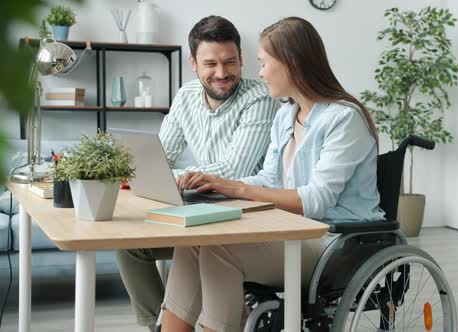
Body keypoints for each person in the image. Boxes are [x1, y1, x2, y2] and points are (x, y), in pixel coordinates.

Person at [161, 17, 386, 332]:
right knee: (192, 242)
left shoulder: (343, 119)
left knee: (219, 249)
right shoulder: (285, 115)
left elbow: (315, 200)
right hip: (293, 233)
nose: (261, 72)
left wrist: (236, 189)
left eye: (265, 63)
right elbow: (269, 181)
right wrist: (219, 185)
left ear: (292, 64)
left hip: (335, 243)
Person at [116, 15, 279, 332]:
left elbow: (235, 170)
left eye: (230, 62)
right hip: (199, 207)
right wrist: (173, 176)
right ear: (193, 63)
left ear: (242, 60)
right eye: (211, 64)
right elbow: (158, 156)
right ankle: (160, 324)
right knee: (130, 245)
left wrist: (177, 175)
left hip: (245, 213)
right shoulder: (186, 95)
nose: (222, 73)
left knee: (189, 245)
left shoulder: (259, 98)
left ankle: (207, 316)